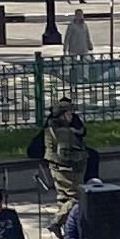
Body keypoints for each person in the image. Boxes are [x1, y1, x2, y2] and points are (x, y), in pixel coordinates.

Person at [43, 97, 88, 231]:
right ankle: (57, 222)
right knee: (75, 198)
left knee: (63, 198)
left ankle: (66, 226)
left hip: (57, 167)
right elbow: (65, 154)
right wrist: (83, 156)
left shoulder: (51, 127)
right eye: (69, 114)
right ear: (62, 115)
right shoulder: (64, 132)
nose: (71, 116)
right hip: (66, 169)